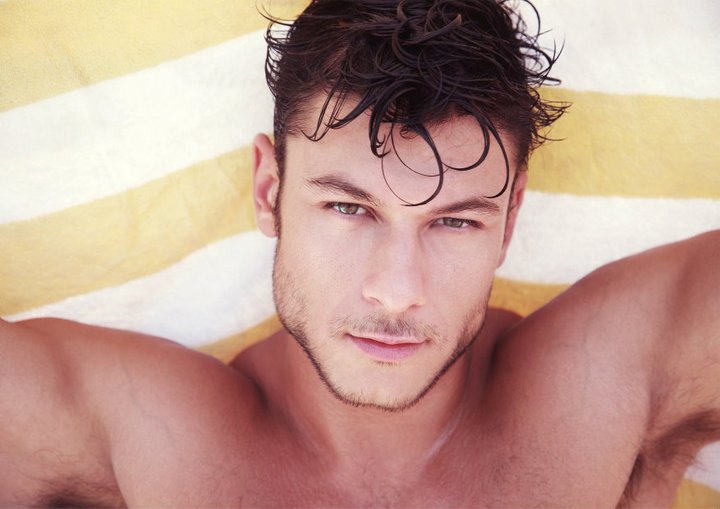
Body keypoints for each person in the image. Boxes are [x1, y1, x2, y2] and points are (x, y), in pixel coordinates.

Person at [1, 0, 718, 506]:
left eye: (455, 222)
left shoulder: (600, 383)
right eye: (349, 208)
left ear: (510, 220)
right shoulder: (146, 431)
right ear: (269, 190)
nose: (397, 290)